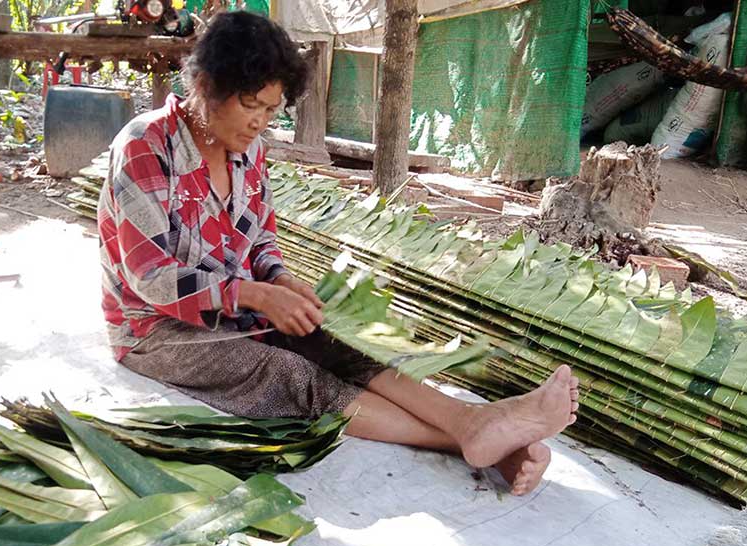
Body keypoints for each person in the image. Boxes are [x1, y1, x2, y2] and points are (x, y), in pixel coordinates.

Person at [97, 11, 579, 496]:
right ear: (205, 85)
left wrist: (279, 281)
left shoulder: (249, 151)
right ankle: (467, 438)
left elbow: (261, 238)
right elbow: (151, 278)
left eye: (272, 109)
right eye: (250, 104)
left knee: (335, 340)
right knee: (287, 373)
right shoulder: (147, 145)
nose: (261, 121)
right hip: (154, 330)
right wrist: (255, 296)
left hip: (238, 308)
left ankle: (470, 422)